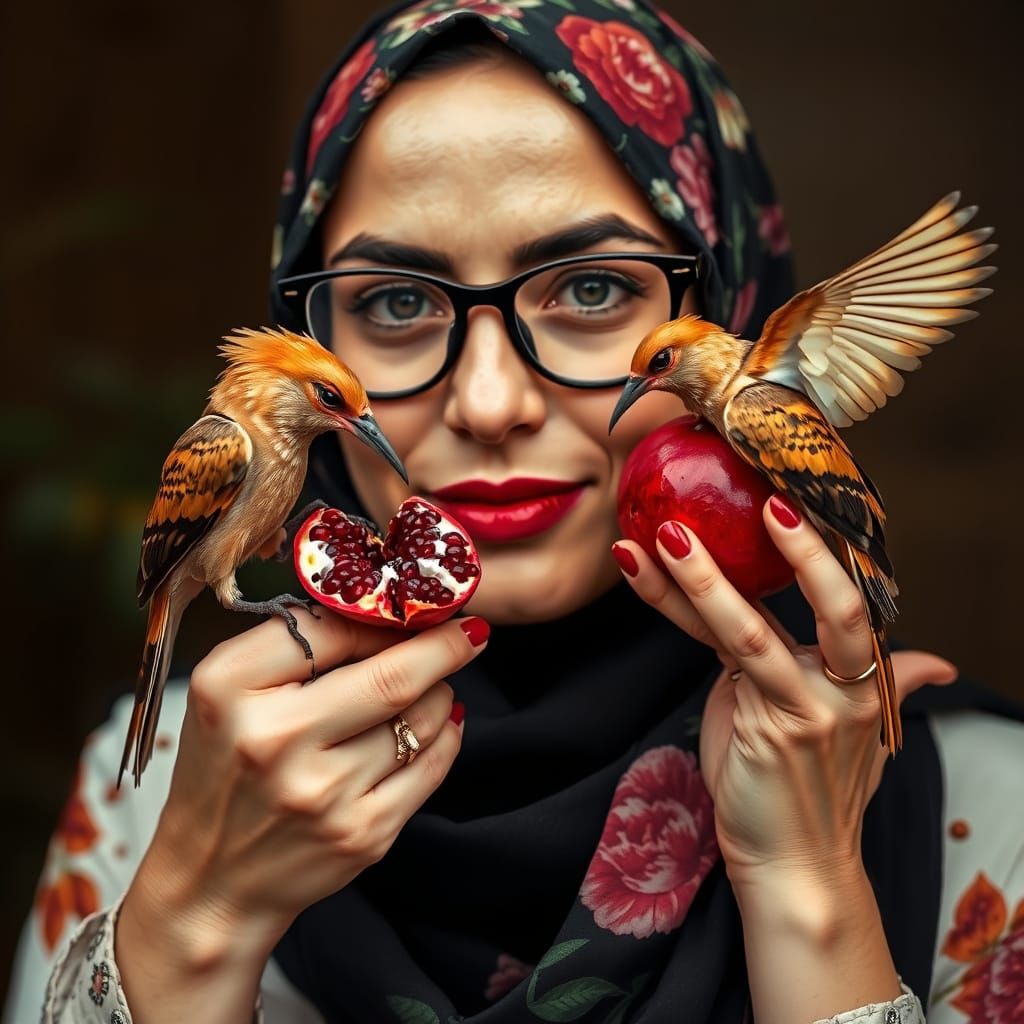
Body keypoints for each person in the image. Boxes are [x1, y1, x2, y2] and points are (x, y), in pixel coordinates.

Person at [7, 2, 1024, 1022]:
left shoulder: (990, 811)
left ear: (730, 309)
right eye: (397, 303)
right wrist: (192, 921)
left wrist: (810, 893)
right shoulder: (160, 785)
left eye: (592, 289)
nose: (489, 404)